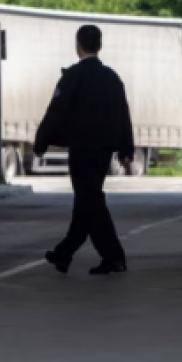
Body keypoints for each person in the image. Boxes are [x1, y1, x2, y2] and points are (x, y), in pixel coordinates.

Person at [33, 24, 134, 276]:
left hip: (81, 148)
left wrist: (41, 141)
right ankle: (64, 254)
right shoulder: (112, 78)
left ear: (78, 46)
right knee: (86, 201)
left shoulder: (73, 76)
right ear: (99, 46)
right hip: (104, 151)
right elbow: (124, 114)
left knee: (91, 201)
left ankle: (114, 257)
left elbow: (56, 111)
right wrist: (125, 149)